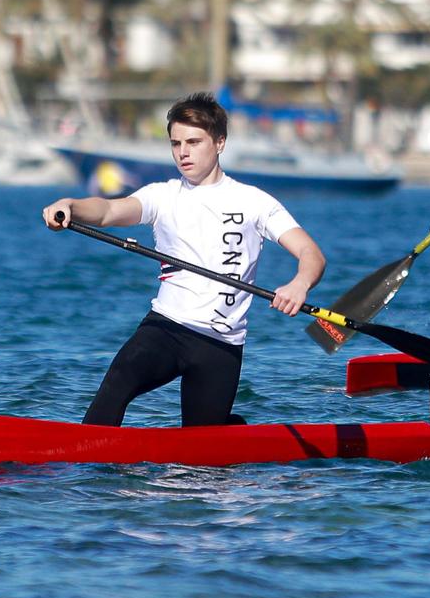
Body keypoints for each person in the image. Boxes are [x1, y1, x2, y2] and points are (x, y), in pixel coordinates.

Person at [41, 92, 326, 426]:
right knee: (117, 382)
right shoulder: (161, 196)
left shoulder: (255, 202)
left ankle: (232, 433)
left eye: (193, 142)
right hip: (166, 330)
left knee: (207, 457)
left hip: (221, 345)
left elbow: (311, 254)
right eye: (176, 143)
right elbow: (109, 210)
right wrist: (72, 205)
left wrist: (299, 284)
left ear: (220, 142)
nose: (183, 152)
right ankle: (82, 464)